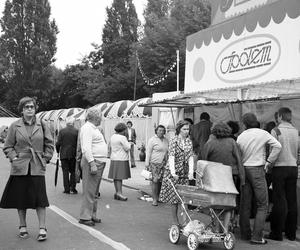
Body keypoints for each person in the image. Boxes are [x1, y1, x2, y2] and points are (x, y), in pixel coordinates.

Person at [0, 97, 54, 241]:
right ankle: (22, 226)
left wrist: (46, 158)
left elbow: (49, 144)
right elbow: (7, 146)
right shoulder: (14, 126)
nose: (30, 109)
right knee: (21, 198)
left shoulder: (42, 124)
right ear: (22, 110)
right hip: (20, 166)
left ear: (35, 108)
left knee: (40, 199)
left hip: (37, 165)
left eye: (32, 106)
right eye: (26, 107)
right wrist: (14, 158)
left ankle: (42, 228)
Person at [237, 113, 281, 245]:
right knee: (262, 205)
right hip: (257, 170)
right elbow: (278, 146)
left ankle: (245, 234)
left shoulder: (241, 136)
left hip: (244, 170)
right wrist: (269, 162)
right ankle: (256, 237)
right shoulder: (263, 133)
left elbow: (238, 154)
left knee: (245, 204)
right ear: (255, 121)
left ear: (244, 124)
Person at [202, 122, 245, 231]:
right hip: (230, 177)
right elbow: (239, 160)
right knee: (228, 204)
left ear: (214, 131)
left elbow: (202, 161)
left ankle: (216, 228)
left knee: (216, 204)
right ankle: (225, 229)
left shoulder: (210, 144)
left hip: (214, 178)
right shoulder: (232, 142)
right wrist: (242, 177)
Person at [266, 107, 300, 241]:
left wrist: (269, 164)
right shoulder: (296, 131)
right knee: (292, 200)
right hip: (293, 167)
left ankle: (277, 233)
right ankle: (291, 233)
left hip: (280, 167)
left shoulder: (276, 130)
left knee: (279, 200)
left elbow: (274, 150)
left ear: (279, 116)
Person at [159, 120, 194, 225]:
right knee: (174, 199)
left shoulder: (189, 141)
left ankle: (185, 223)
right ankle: (176, 222)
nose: (186, 131)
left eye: (188, 129)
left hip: (184, 172)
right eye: (184, 129)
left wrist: (191, 172)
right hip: (173, 172)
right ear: (179, 130)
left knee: (184, 199)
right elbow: (171, 156)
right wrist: (173, 172)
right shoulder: (174, 140)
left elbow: (190, 157)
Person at [79, 109, 107, 226]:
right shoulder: (87, 128)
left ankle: (91, 214)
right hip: (93, 161)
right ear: (95, 117)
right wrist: (92, 163)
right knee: (89, 191)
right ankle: (85, 217)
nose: (101, 119)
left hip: (98, 161)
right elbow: (86, 148)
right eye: (100, 117)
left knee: (94, 191)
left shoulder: (93, 128)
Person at [145, 125, 169, 206]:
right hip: (154, 163)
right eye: (160, 130)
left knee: (161, 181)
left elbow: (167, 152)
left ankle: (158, 197)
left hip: (164, 163)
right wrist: (147, 163)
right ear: (156, 131)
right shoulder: (152, 140)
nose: (161, 132)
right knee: (155, 181)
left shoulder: (166, 140)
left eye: (163, 130)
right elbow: (148, 152)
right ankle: (154, 199)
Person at [108, 123, 132, 201]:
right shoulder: (122, 137)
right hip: (121, 158)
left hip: (114, 158)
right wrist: (130, 144)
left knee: (116, 177)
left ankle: (117, 192)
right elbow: (127, 148)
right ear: (123, 130)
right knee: (120, 177)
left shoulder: (112, 137)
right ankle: (119, 193)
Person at [56, 118, 78, 194]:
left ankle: (66, 189)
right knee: (73, 171)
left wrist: (58, 151)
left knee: (65, 172)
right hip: (73, 154)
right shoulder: (77, 131)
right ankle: (73, 188)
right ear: (73, 123)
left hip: (64, 154)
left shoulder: (62, 131)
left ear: (66, 123)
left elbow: (58, 143)